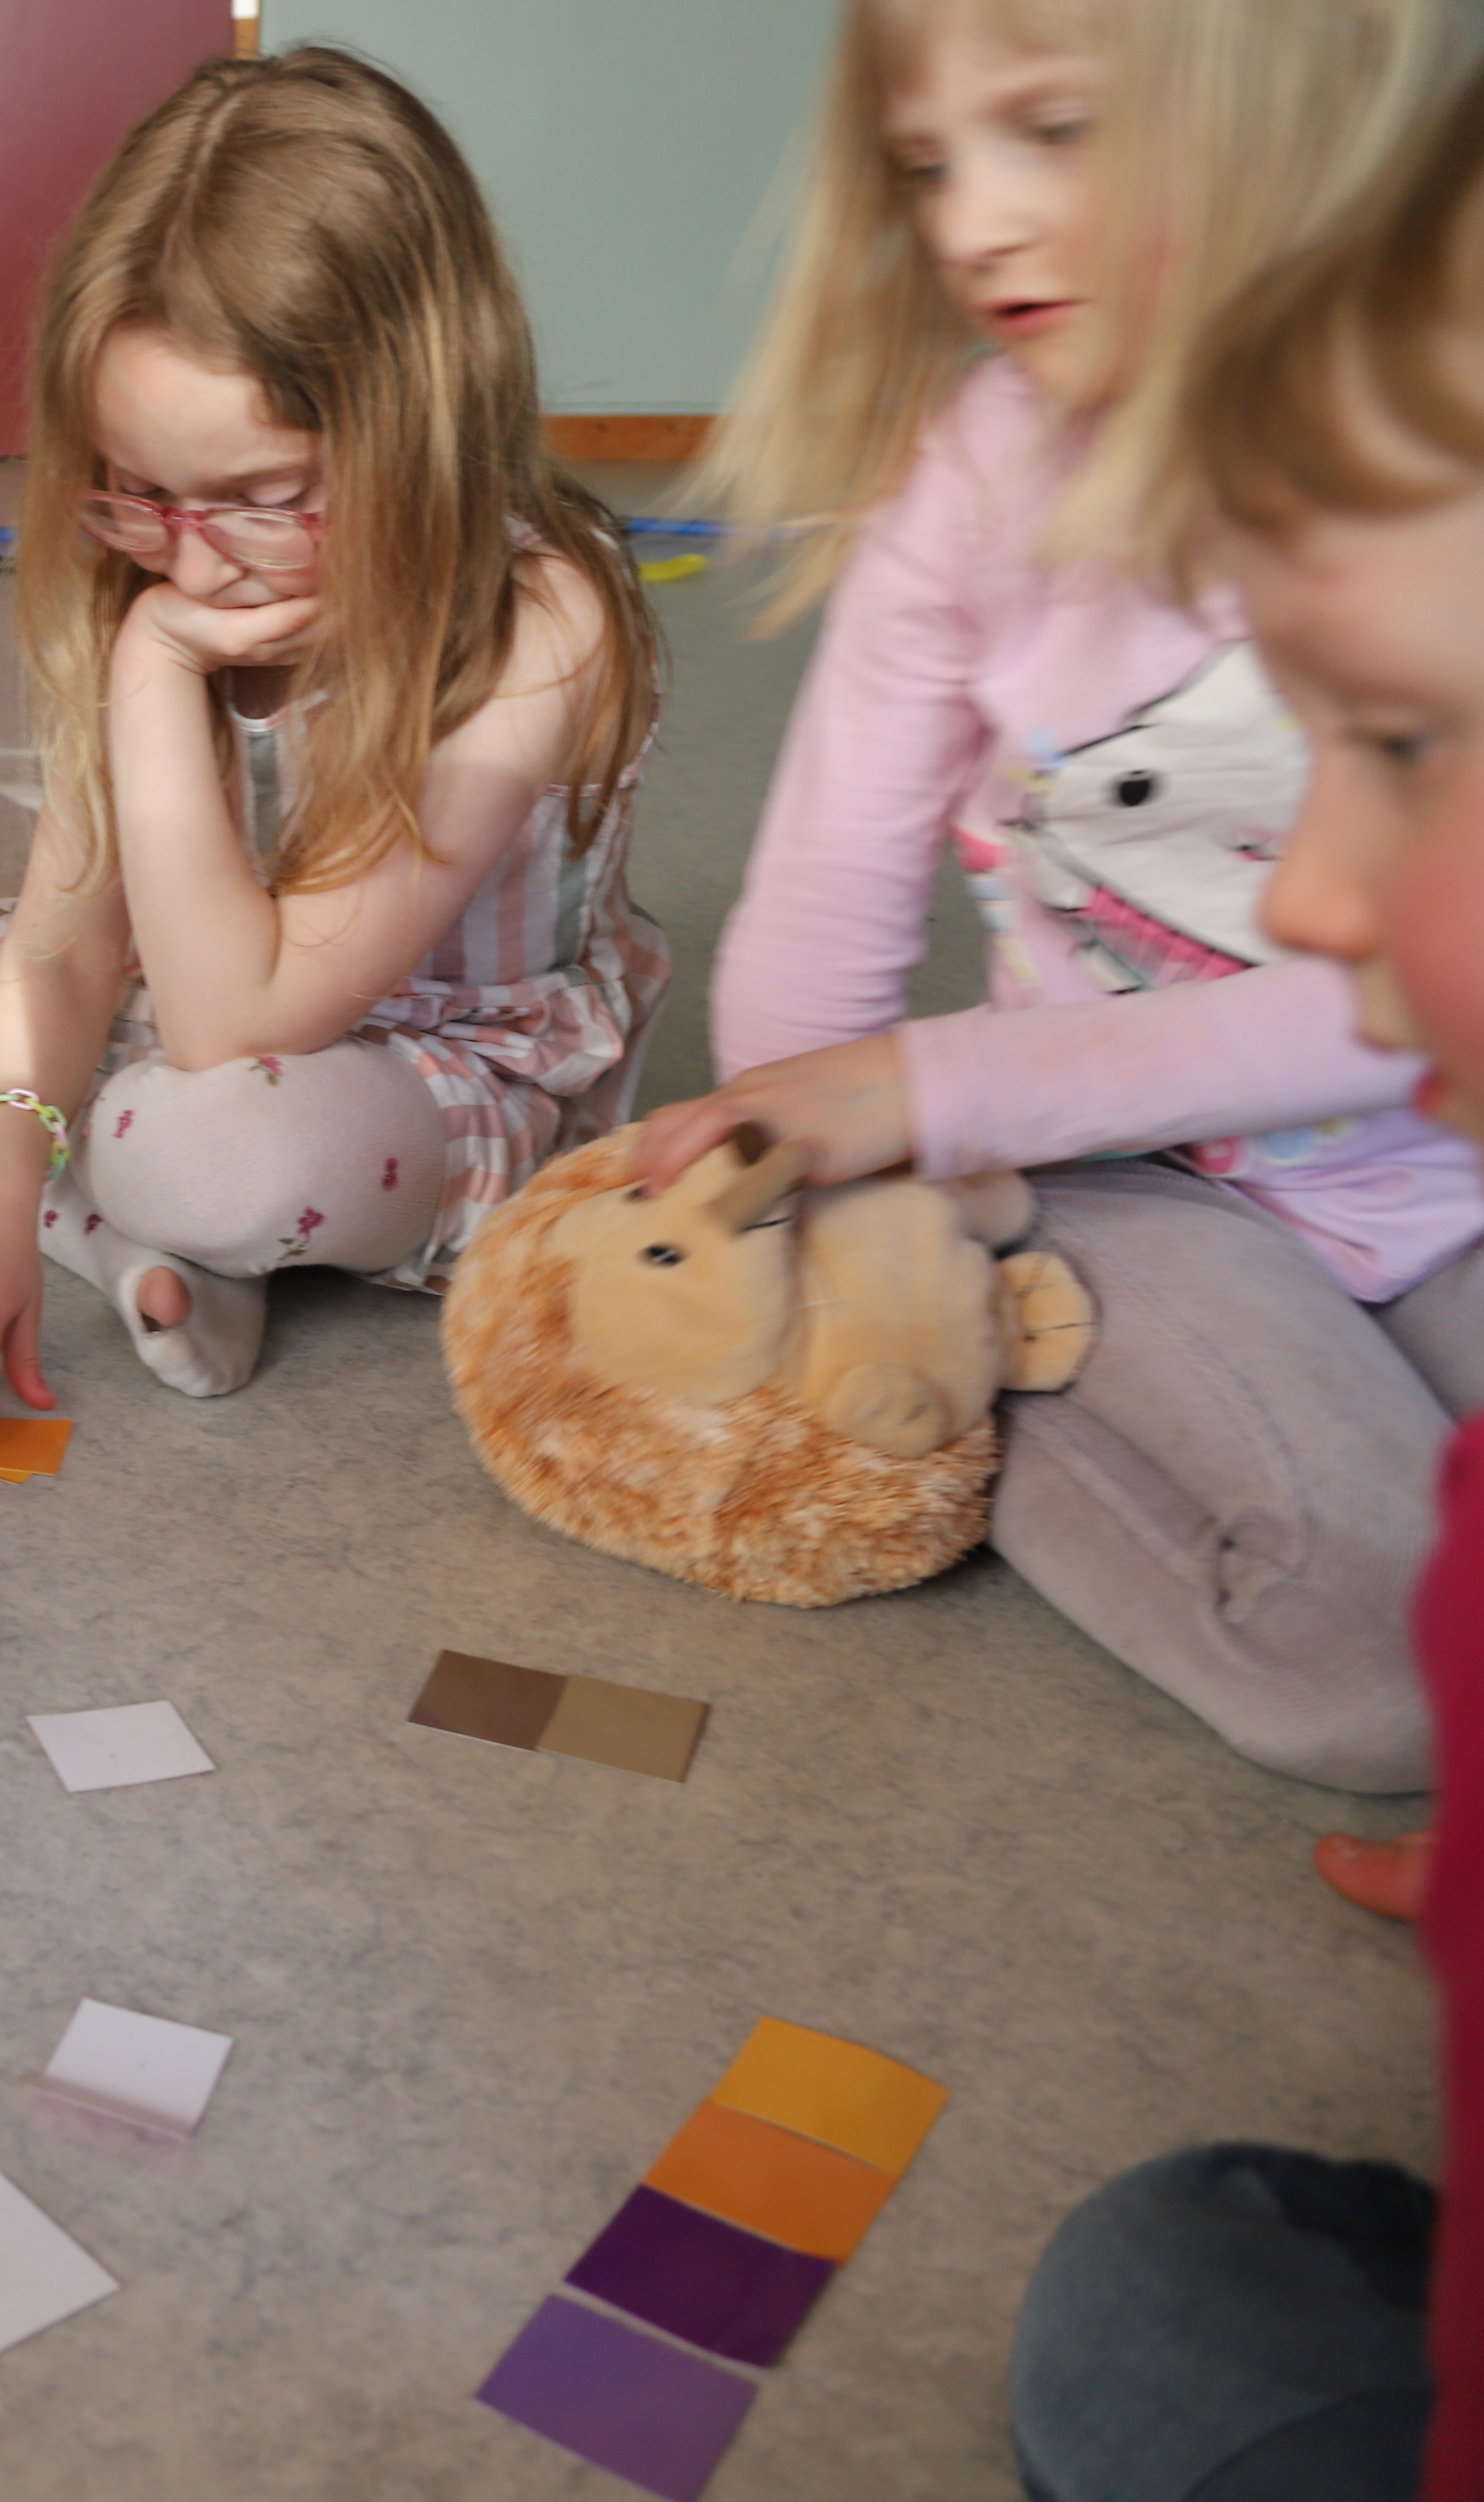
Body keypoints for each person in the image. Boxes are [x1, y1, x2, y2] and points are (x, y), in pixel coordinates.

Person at [628, 0, 1464, 1793]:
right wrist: (831, 1206)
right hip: (1125, 1174)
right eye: (929, 164)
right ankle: (1006, 1372)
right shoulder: (972, 479)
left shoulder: (1437, 466)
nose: (974, 225)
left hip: (1440, 1162)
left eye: (1055, 131)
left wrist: (936, 1082)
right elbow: (831, 892)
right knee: (1389, 1662)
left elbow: (1419, 984)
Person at [0, 48, 664, 1429]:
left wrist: (154, 662)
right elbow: (65, 948)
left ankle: (154, 1211)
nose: (198, 566)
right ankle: (110, 1241)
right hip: (173, 999)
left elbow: (233, 1026)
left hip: (426, 1082)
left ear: (420, 430)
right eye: (139, 491)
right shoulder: (151, 563)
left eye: (266, 497)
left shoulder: (543, 611)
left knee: (215, 1153)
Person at [1007, 59, 1484, 2497]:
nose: (1304, 882)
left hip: (1335, 1168)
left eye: (1396, 746)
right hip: (1179, 1177)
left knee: (1153, 2300)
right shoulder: (977, 499)